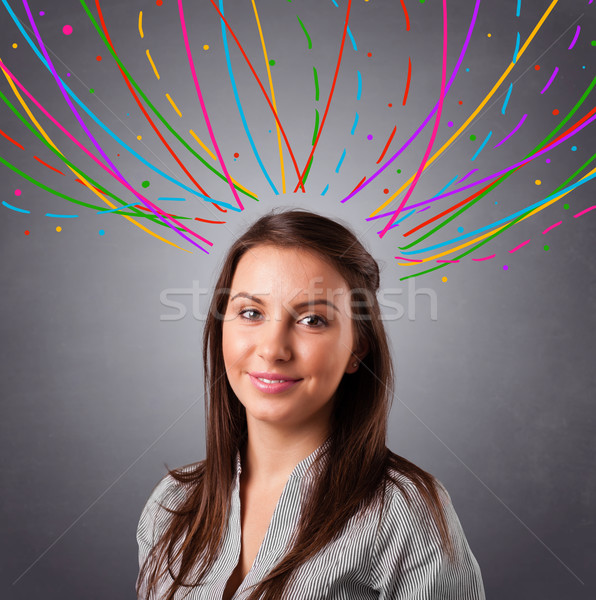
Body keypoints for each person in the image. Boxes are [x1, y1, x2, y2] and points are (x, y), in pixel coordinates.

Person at [136, 207, 486, 600]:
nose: (273, 349)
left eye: (313, 320)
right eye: (251, 312)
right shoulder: (171, 505)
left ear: (357, 349)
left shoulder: (405, 513)